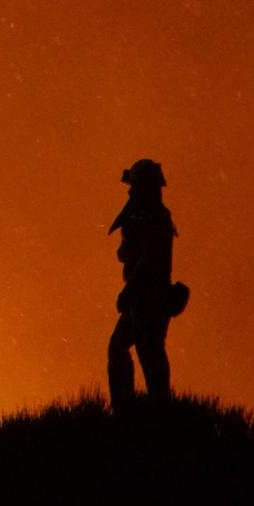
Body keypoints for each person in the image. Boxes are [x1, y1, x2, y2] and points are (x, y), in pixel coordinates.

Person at [106, 158, 181, 409]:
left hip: (149, 297)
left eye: (134, 185)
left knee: (150, 354)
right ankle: (126, 408)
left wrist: (128, 291)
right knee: (124, 349)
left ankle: (157, 409)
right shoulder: (147, 216)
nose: (129, 191)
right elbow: (131, 254)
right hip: (142, 297)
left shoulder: (156, 217)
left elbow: (149, 260)